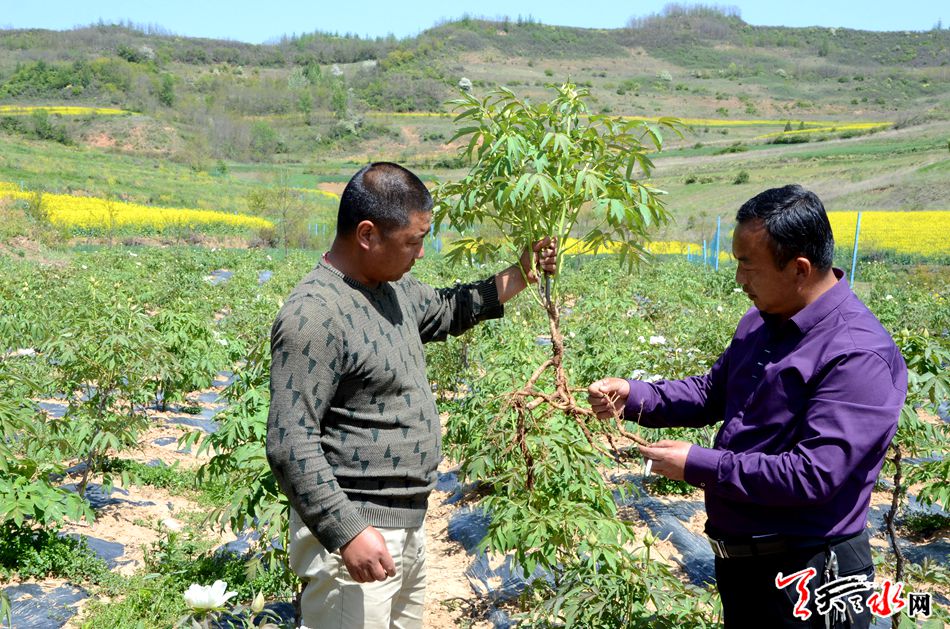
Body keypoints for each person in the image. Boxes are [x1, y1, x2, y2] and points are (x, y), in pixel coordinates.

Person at [588, 185, 906, 628]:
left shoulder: (857, 354)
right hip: (744, 569)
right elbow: (711, 392)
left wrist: (698, 464)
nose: (739, 279)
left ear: (799, 268)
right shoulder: (760, 322)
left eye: (747, 264)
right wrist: (635, 395)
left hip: (811, 575)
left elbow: (813, 474)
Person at [265, 162, 556, 629]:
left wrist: (523, 272)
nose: (420, 253)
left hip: (406, 527)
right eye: (413, 241)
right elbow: (289, 443)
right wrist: (347, 531)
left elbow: (450, 309)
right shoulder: (314, 315)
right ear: (367, 234)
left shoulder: (394, 291)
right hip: (357, 535)